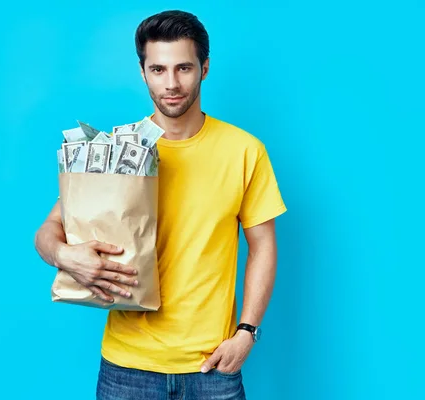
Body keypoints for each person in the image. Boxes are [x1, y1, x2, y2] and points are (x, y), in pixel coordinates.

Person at [34, 9, 287, 400]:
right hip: (127, 367)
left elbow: (264, 245)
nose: (171, 83)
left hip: (213, 366)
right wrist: (64, 256)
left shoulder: (244, 150)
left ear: (204, 68)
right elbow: (48, 232)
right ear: (142, 72)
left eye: (184, 68)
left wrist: (247, 333)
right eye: (158, 69)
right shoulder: (118, 147)